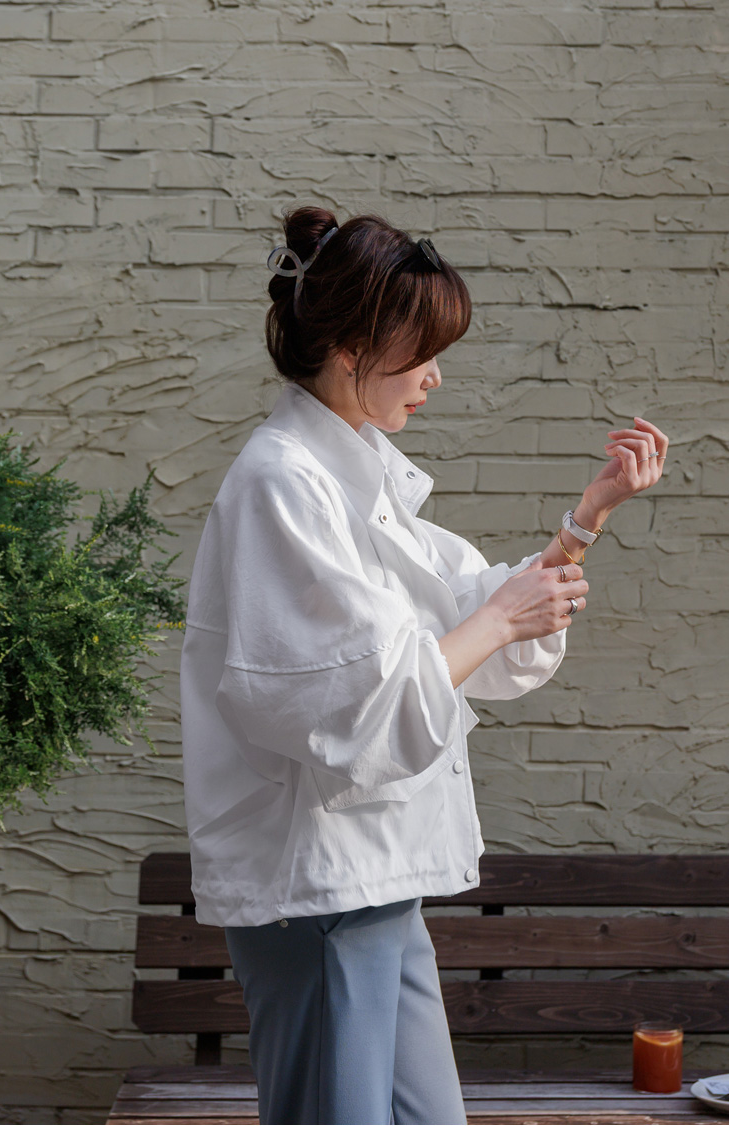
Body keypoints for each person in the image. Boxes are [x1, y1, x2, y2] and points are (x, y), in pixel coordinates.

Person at [179, 206, 669, 1126]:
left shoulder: (355, 477)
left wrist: (585, 521)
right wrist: (499, 616)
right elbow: (348, 704)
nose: (436, 377)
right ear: (350, 350)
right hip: (317, 887)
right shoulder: (284, 483)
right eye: (422, 352)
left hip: (374, 885)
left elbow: (459, 614)